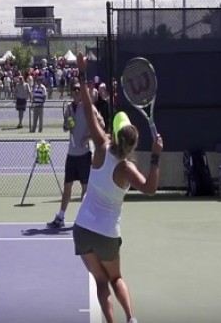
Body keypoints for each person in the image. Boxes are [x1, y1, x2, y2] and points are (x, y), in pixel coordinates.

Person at [71, 53, 164, 323]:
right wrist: (156, 156)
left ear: (113, 131)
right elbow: (149, 189)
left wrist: (83, 73)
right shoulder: (127, 169)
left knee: (101, 281)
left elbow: (88, 109)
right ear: (133, 142)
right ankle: (131, 319)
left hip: (82, 230)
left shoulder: (101, 146)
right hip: (107, 235)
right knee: (116, 278)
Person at [46, 81, 105, 228]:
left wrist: (89, 136)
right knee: (67, 187)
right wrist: (67, 125)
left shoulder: (89, 107)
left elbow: (102, 125)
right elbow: (65, 127)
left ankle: (83, 219)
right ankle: (60, 217)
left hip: (84, 154)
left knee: (85, 188)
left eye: (79, 89)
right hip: (71, 154)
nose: (77, 92)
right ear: (72, 92)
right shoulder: (69, 108)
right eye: (74, 89)